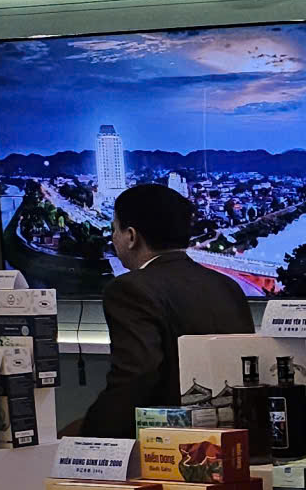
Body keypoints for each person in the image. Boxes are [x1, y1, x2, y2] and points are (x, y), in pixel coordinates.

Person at [74, 184, 254, 438]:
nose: (113, 238)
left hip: (164, 441)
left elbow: (136, 378)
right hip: (233, 435)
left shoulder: (129, 289)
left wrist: (88, 436)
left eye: (114, 229)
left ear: (131, 236)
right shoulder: (227, 285)